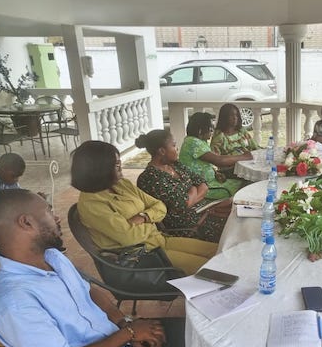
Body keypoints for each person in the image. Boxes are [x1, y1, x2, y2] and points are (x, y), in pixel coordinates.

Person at [0, 189, 189, 347]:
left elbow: (90, 292)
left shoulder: (52, 258)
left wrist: (124, 324)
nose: (56, 218)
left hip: (117, 340)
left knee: (193, 332)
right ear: (26, 223)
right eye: (48, 211)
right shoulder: (13, 302)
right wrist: (129, 333)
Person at [71, 140, 217, 275]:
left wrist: (143, 217)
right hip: (143, 256)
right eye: (116, 164)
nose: (121, 167)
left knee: (218, 252)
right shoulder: (92, 204)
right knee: (212, 268)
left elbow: (160, 206)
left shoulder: (122, 185)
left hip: (159, 241)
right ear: (100, 169)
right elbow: (129, 237)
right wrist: (151, 223)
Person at [136, 129, 230, 243]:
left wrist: (191, 196)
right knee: (232, 226)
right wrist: (193, 188)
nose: (177, 149)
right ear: (162, 151)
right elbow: (184, 203)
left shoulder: (175, 165)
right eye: (174, 145)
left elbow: (203, 183)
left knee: (234, 207)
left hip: (204, 210)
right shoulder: (150, 178)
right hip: (189, 226)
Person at [179, 112, 251, 200]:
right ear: (200, 130)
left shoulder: (199, 141)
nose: (212, 131)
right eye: (210, 128)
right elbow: (219, 161)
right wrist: (244, 157)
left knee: (245, 181)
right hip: (204, 188)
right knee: (245, 187)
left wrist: (215, 173)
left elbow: (203, 164)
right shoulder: (193, 142)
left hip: (208, 182)